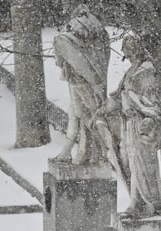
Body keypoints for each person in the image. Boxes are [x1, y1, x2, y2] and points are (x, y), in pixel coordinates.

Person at [96, 34, 161, 218]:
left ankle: (151, 202)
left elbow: (152, 103)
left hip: (141, 125)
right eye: (126, 53)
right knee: (130, 162)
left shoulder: (147, 71)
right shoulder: (132, 71)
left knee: (143, 164)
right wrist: (104, 110)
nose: (128, 56)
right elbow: (120, 95)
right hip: (128, 123)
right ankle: (136, 202)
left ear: (137, 50)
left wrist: (149, 119)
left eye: (129, 52)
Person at [51, 4, 110, 167]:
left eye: (65, 3)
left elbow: (73, 57)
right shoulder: (94, 24)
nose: (63, 8)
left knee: (87, 115)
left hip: (81, 81)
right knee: (80, 114)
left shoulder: (74, 28)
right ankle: (81, 152)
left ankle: (98, 152)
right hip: (86, 80)